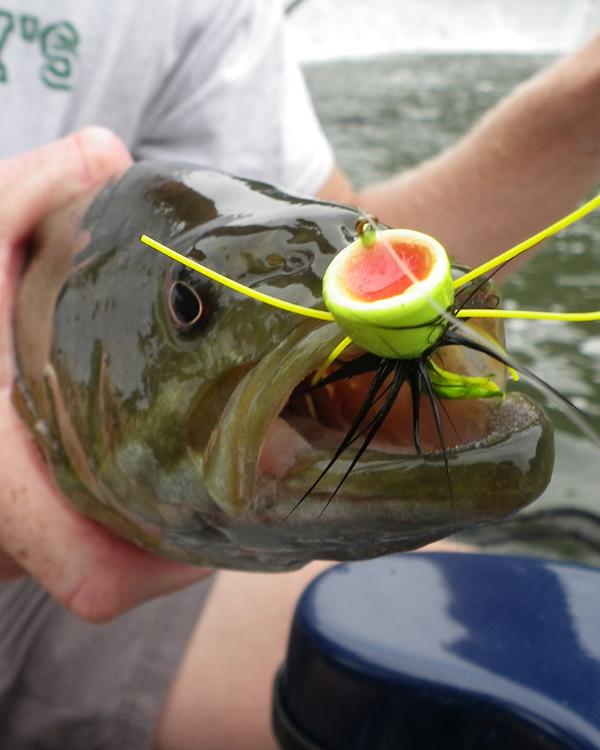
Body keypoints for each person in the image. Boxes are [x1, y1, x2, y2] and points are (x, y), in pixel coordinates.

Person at [1, 2, 600, 747]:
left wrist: (587, 97)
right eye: (188, 307)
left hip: (119, 584)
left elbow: (337, 264)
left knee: (524, 649)